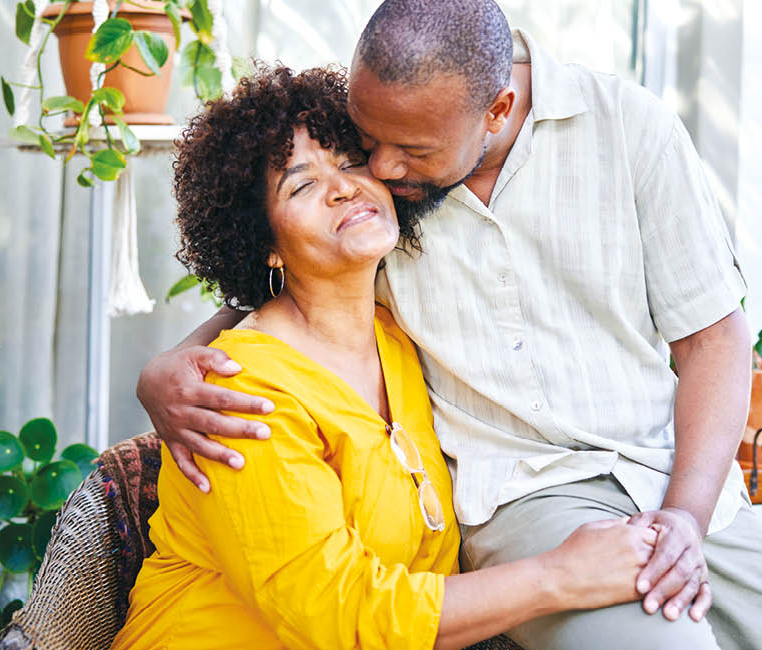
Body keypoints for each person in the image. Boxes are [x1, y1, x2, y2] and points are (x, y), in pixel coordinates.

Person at [136, 2, 762, 648]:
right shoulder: (380, 213)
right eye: (365, 139)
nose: (375, 170)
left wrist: (685, 514)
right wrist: (168, 366)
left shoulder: (625, 126)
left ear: (496, 111)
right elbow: (281, 289)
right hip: (526, 494)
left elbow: (712, 334)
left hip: (664, 467)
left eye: (397, 150)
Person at [110, 64, 660, 650]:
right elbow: (339, 613)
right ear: (265, 245)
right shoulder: (243, 393)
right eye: (300, 186)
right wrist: (561, 576)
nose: (343, 187)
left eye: (349, 162)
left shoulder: (401, 339)